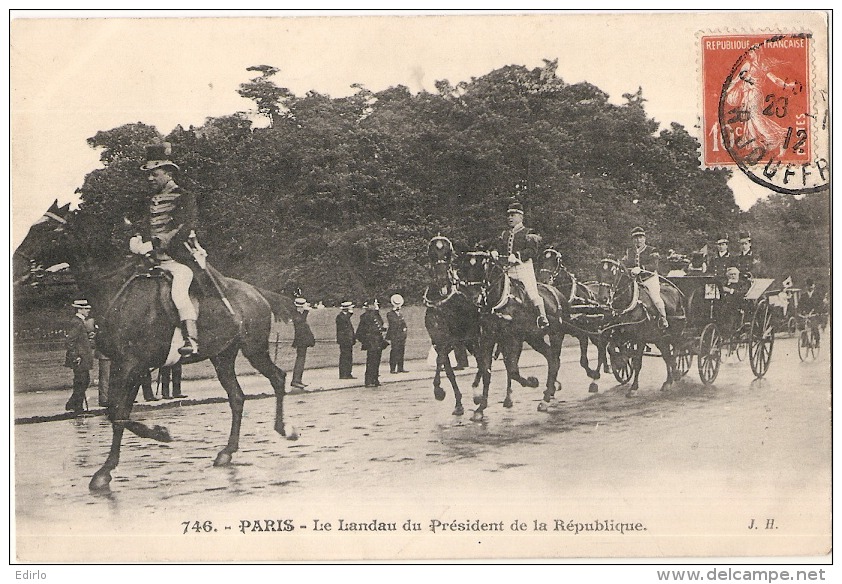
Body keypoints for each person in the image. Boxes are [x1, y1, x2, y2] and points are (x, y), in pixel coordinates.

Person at [129, 142, 200, 357]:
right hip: (149, 261)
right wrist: (136, 239)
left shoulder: (185, 197)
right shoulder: (147, 200)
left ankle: (191, 339)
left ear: (168, 173)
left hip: (176, 260)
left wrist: (156, 244)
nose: (150, 179)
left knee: (179, 294)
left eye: (154, 174)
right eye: (148, 175)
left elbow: (183, 227)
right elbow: (140, 225)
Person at [485, 201, 549, 329]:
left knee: (532, 292)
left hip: (523, 268)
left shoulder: (528, 232)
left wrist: (518, 255)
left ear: (521, 217)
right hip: (506, 270)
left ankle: (542, 316)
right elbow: (496, 245)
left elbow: (532, 251)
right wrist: (494, 251)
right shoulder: (504, 234)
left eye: (513, 215)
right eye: (508, 215)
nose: (510, 218)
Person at [621, 226, 669, 328]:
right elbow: (624, 264)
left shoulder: (652, 250)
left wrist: (641, 268)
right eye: (636, 238)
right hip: (634, 280)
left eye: (640, 237)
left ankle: (663, 318)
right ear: (633, 240)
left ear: (644, 238)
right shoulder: (629, 251)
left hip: (649, 279)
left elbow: (654, 265)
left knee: (656, 298)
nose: (638, 240)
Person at [64, 299, 95, 414]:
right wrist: (75, 356)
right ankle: (76, 406)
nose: (88, 311)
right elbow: (70, 341)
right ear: (79, 309)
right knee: (82, 381)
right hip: (79, 358)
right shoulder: (77, 322)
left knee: (83, 381)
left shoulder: (80, 322)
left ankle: (74, 404)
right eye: (86, 309)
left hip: (82, 357)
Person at [356, 299, 388, 388]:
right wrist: (366, 341)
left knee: (376, 361)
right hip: (372, 342)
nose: (377, 306)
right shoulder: (366, 316)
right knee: (371, 361)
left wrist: (383, 328)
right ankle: (369, 380)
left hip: (378, 341)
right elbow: (360, 332)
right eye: (375, 304)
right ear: (370, 306)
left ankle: (375, 379)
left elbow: (379, 327)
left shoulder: (376, 315)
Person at [291, 297, 316, 390]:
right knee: (300, 361)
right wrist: (306, 311)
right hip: (301, 341)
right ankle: (296, 380)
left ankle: (298, 380)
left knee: (301, 360)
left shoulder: (299, 315)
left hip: (302, 341)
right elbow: (302, 324)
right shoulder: (298, 316)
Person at [386, 294, 409, 373]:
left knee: (401, 351)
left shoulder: (400, 314)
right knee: (394, 351)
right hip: (394, 335)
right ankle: (392, 368)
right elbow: (394, 323)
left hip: (401, 335)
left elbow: (403, 324)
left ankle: (400, 367)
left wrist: (405, 330)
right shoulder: (390, 314)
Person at [336, 301, 356, 379]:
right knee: (344, 356)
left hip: (348, 340)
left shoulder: (345, 317)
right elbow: (344, 323)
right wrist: (350, 313)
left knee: (348, 356)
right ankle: (343, 373)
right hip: (344, 340)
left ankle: (348, 373)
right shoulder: (340, 317)